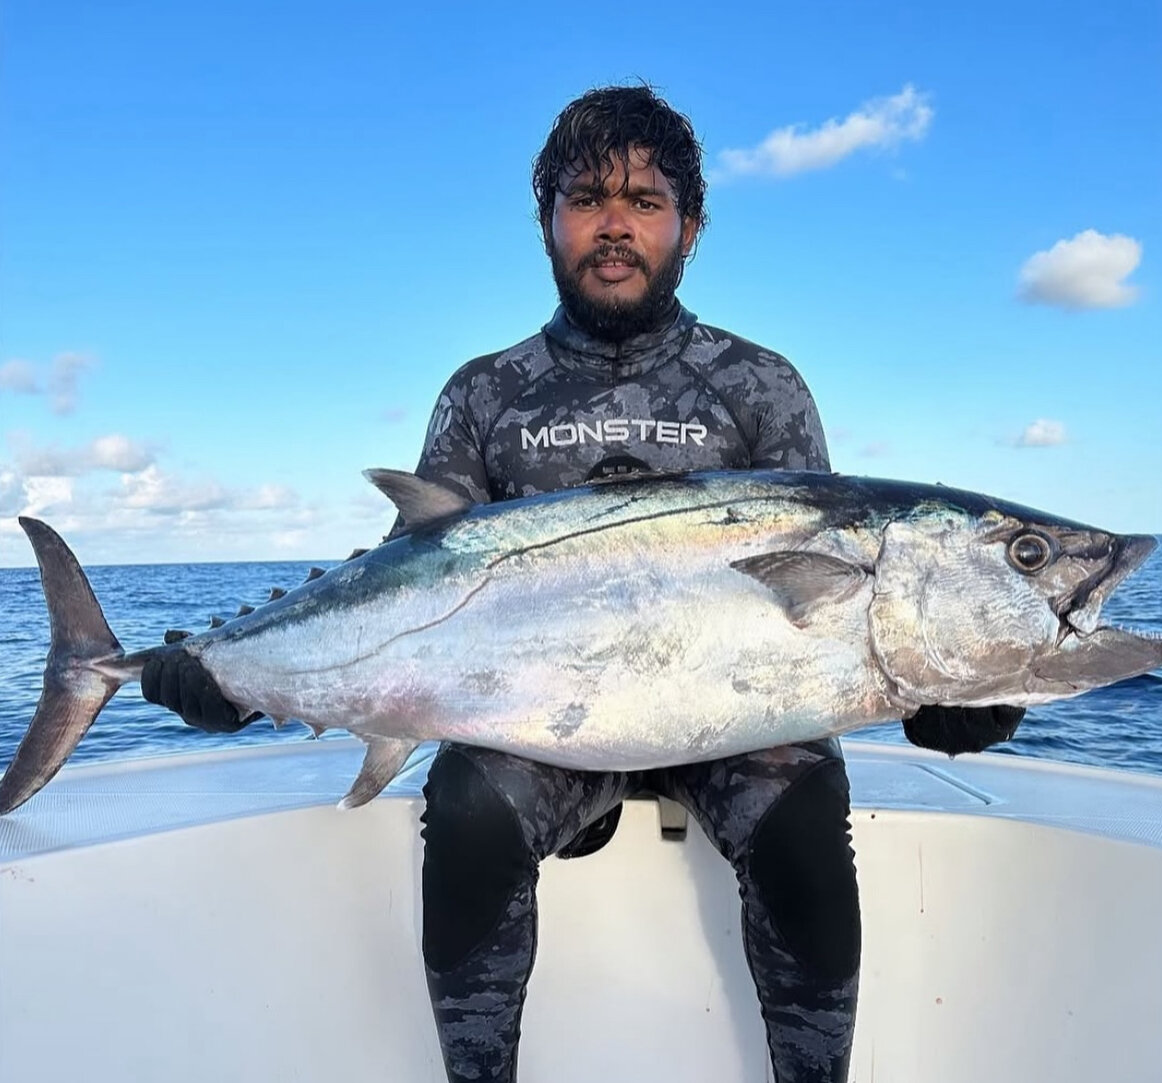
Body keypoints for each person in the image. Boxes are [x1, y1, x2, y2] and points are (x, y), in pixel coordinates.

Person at [142, 85, 1024, 1083]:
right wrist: (244, 683)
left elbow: (833, 607)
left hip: (742, 717)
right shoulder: (484, 392)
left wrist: (947, 683)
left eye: (644, 200)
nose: (615, 223)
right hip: (535, 720)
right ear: (548, 223)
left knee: (807, 824)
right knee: (469, 811)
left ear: (690, 225)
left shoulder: (760, 385)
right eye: (587, 197)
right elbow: (401, 604)